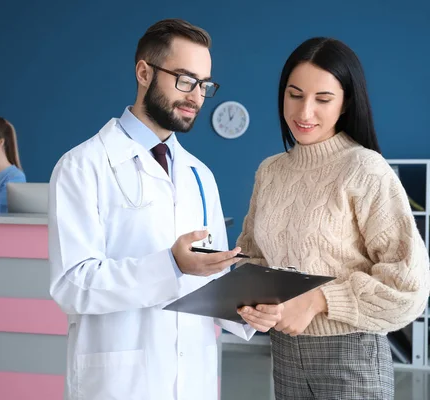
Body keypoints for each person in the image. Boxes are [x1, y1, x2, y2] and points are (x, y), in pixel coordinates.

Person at [48, 18, 282, 400]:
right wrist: (170, 265)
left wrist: (248, 310)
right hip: (119, 382)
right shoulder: (82, 166)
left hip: (194, 378)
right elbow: (72, 285)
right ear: (144, 72)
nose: (196, 97)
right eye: (185, 80)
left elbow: (213, 278)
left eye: (204, 85)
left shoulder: (200, 175)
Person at [235, 37, 430, 399]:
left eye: (323, 99)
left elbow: (408, 287)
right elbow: (254, 258)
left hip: (351, 357)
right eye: (294, 95)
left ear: (345, 104)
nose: (304, 112)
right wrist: (253, 303)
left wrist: (317, 300)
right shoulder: (271, 171)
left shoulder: (365, 169)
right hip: (285, 355)